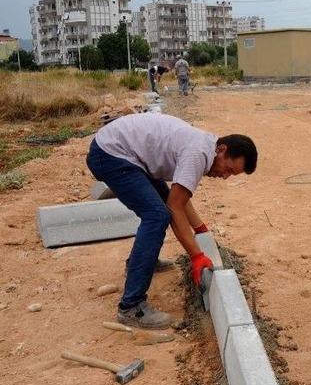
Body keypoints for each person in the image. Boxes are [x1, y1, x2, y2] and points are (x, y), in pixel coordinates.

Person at [86, 112, 258, 329]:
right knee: (157, 215)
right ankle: (131, 307)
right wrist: (197, 256)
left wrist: (200, 229)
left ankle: (140, 263)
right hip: (111, 154)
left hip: (125, 153)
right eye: (229, 169)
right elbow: (175, 206)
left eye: (231, 175)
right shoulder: (198, 153)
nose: (224, 176)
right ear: (222, 150)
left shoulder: (203, 146)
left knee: (160, 205)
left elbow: (179, 196)